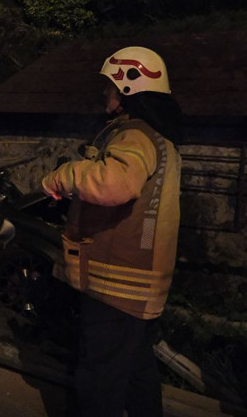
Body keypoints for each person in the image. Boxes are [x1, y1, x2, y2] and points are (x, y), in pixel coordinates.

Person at [41, 46, 182, 417]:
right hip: (141, 285)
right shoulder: (160, 138)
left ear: (128, 88)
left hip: (116, 284)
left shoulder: (135, 135)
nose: (105, 93)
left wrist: (64, 175)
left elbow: (116, 184)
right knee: (136, 373)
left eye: (110, 86)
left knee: (98, 380)